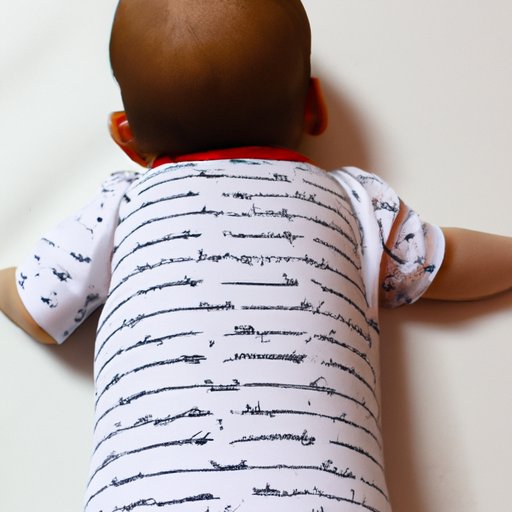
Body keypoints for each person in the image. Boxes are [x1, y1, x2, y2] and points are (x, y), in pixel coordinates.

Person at [1, 1, 512, 511]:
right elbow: (448, 263)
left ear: (127, 138)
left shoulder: (124, 205)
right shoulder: (354, 202)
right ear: (315, 108)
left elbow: (39, 307)